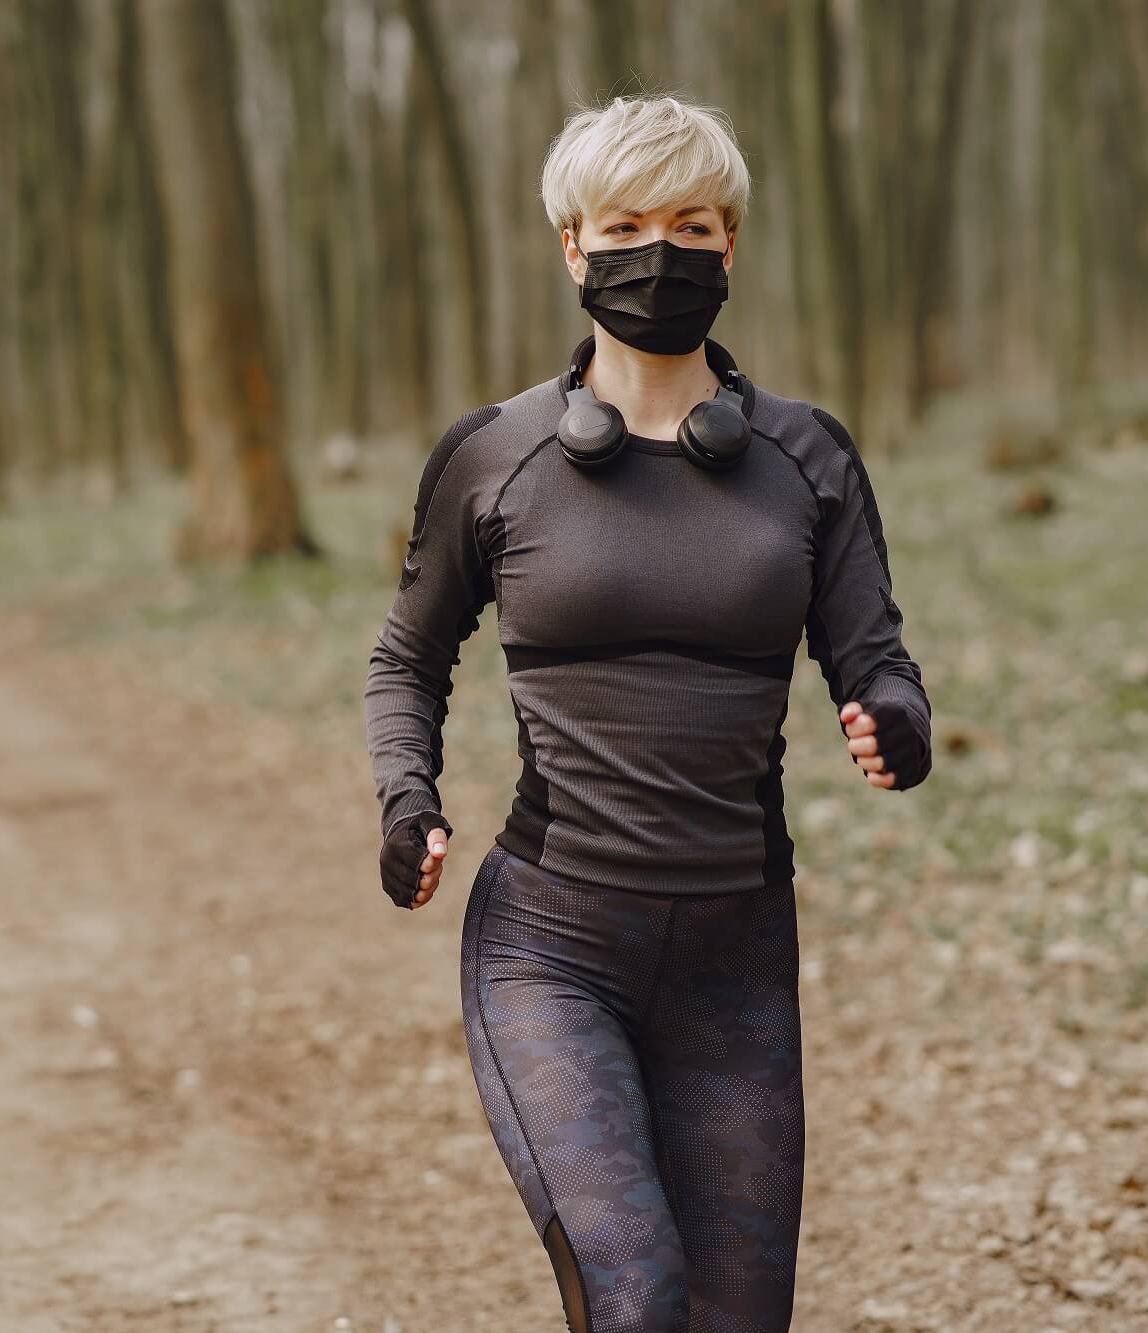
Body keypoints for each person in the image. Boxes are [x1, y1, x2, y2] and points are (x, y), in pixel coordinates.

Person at [362, 93, 934, 1332]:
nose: (658, 251)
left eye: (690, 223)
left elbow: (872, 654)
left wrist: (893, 718)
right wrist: (408, 798)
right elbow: (406, 658)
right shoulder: (494, 453)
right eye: (623, 223)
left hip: (737, 959)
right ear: (571, 246)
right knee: (634, 1294)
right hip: (550, 949)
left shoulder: (806, 457)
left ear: (730, 244)